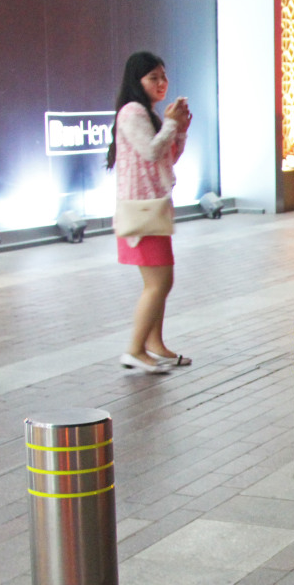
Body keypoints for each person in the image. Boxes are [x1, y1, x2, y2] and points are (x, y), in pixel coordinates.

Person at [107, 51, 192, 374]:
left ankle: (154, 345)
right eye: (153, 77)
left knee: (162, 282)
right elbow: (151, 149)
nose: (161, 83)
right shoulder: (132, 112)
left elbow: (167, 156)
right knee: (158, 283)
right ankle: (134, 349)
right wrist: (171, 123)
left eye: (163, 76)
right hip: (142, 213)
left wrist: (179, 128)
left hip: (151, 210)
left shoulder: (147, 113)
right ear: (137, 81)